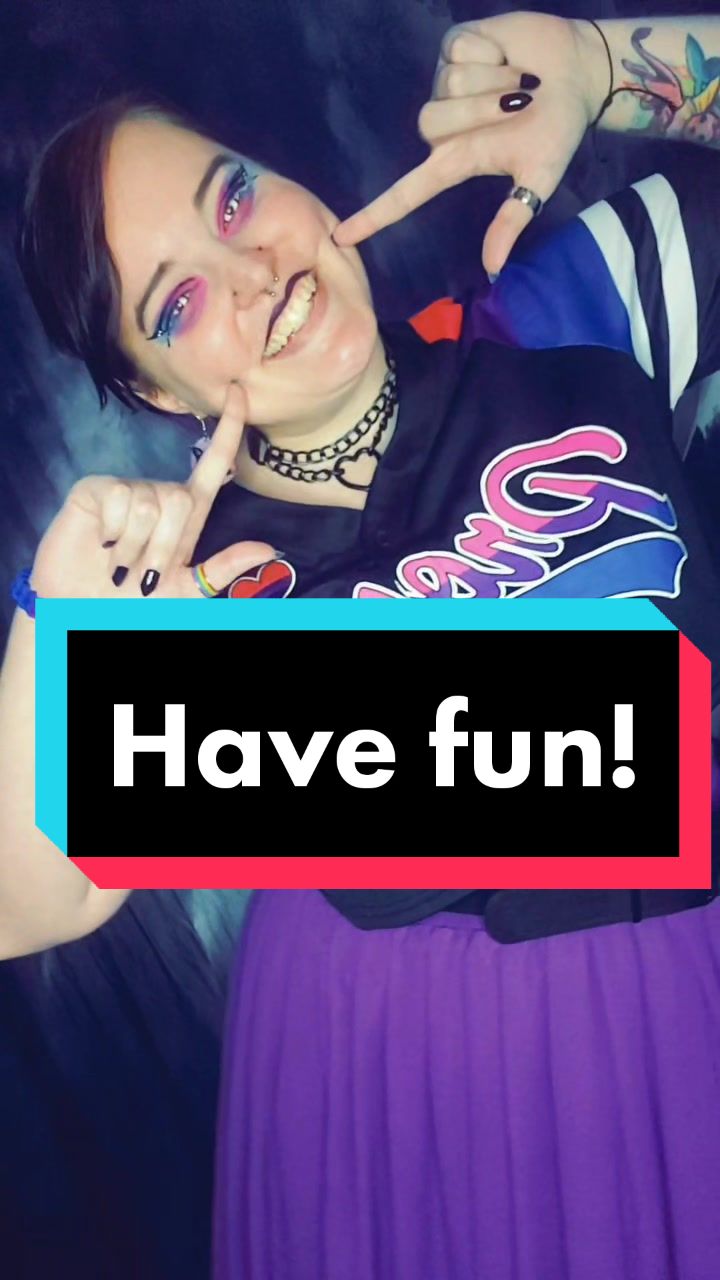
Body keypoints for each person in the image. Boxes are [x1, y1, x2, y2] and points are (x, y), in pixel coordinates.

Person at [2, 10, 720, 1278]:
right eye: (177, 302)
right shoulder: (185, 588)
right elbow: (22, 900)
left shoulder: (579, 313)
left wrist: (612, 70)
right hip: (397, 1119)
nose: (249, 274)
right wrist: (59, 629)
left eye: (232, 199)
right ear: (158, 388)